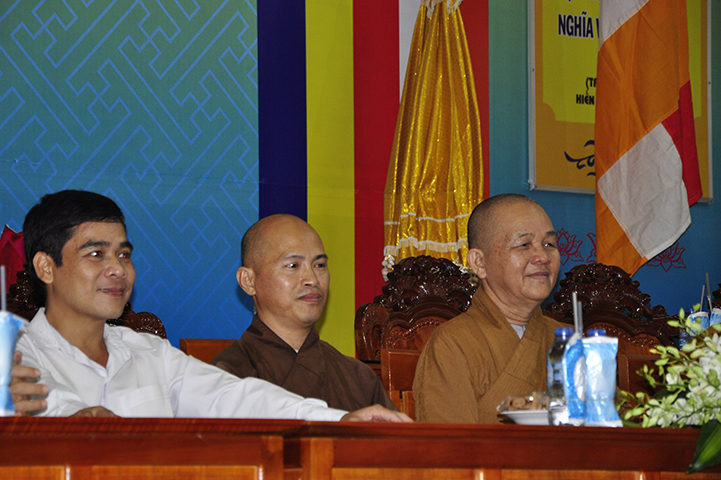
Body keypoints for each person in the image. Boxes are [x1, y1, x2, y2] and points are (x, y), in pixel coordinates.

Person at [16, 190, 409, 422]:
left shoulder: (150, 354)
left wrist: (340, 419)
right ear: (46, 267)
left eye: (124, 254)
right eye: (96, 254)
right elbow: (41, 409)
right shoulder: (14, 355)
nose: (117, 269)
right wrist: (82, 424)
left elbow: (236, 398)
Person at [211, 214, 396, 412]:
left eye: (319, 265)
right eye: (293, 265)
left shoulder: (358, 377)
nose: (312, 279)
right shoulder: (228, 376)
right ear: (248, 280)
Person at [412, 194, 565, 423]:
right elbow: (451, 442)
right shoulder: (453, 343)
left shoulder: (568, 340)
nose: (543, 257)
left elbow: (611, 428)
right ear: (479, 262)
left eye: (549, 244)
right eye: (524, 244)